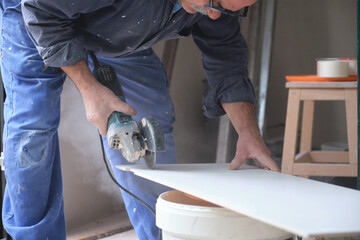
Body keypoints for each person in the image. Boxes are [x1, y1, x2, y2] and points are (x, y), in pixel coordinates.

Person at [0, 0, 280, 239]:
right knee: (32, 132)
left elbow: (226, 52)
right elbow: (44, 12)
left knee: (150, 116)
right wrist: (90, 90)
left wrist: (248, 132)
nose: (216, 15)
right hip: (38, 14)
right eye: (214, 4)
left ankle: (163, 230)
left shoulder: (214, 5)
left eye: (231, 10)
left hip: (116, 23)